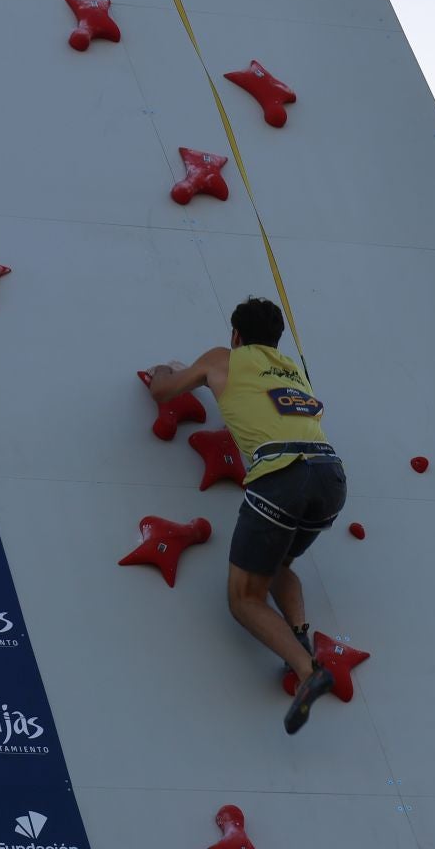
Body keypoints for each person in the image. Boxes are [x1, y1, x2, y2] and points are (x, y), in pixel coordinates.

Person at [145, 297, 347, 734]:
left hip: (282, 477)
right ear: (275, 339)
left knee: (243, 599)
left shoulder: (224, 358)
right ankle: (297, 634)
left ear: (235, 335)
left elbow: (164, 390)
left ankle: (307, 670)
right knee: (278, 564)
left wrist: (165, 371)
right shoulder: (292, 369)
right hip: (330, 477)